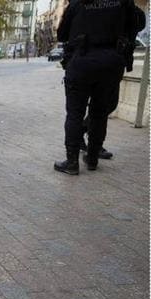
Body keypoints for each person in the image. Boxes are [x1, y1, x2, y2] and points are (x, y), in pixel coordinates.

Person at [54, 0, 145, 174]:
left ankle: (72, 162)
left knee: (75, 113)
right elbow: (139, 23)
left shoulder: (77, 4)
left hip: (81, 62)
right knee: (100, 112)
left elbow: (62, 35)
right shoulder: (123, 3)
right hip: (111, 63)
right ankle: (92, 159)